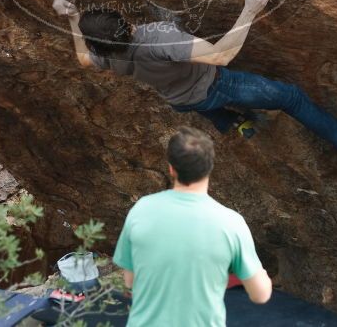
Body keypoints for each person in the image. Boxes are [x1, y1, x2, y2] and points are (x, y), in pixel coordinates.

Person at [52, 0, 337, 159]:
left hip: (180, 99)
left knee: (203, 107)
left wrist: (72, 19)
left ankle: (234, 123)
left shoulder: (105, 56)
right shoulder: (157, 37)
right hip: (215, 85)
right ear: (125, 22)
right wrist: (250, 8)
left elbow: (83, 59)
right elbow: (221, 56)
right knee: (290, 96)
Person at [113, 126, 272, 326]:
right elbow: (260, 295)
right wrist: (263, 277)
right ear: (210, 167)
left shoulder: (141, 209)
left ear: (171, 168)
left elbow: (130, 281)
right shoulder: (231, 223)